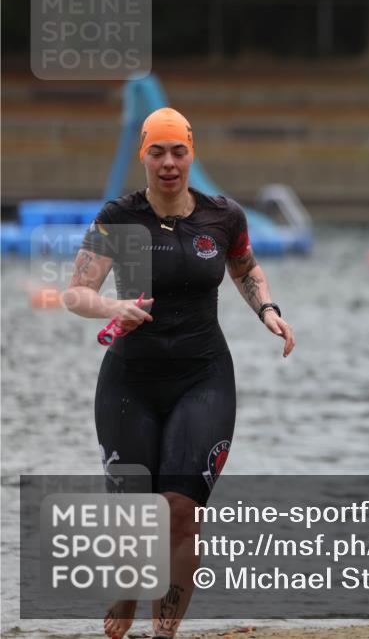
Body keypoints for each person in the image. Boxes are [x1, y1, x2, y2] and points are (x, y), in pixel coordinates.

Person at [63, 108, 295, 639]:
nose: (168, 162)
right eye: (157, 152)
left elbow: (245, 267)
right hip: (130, 380)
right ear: (143, 156)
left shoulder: (223, 216)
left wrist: (268, 310)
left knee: (181, 511)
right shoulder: (120, 217)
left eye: (178, 151)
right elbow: (77, 293)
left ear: (192, 154)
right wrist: (113, 308)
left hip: (202, 377)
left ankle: (164, 631)